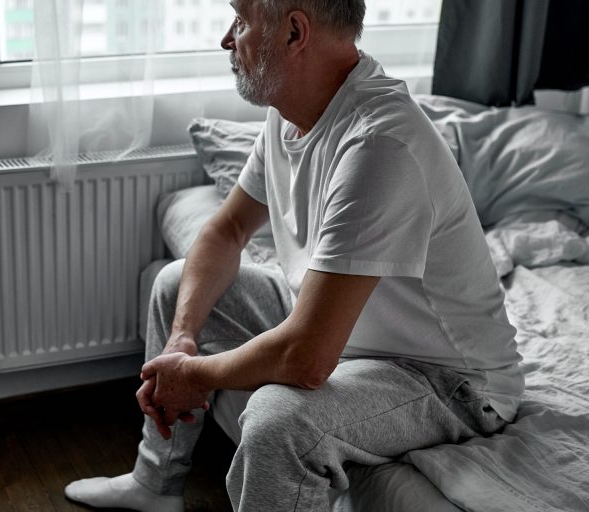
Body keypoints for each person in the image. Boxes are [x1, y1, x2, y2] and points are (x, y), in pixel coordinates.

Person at [64, 0, 525, 510]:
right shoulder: (292, 115)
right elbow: (228, 229)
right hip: (340, 330)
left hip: (444, 379)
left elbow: (306, 359)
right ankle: (155, 483)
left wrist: (192, 377)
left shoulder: (380, 144)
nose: (226, 39)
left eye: (240, 21)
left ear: (294, 32)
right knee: (176, 284)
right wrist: (181, 344)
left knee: (278, 420)